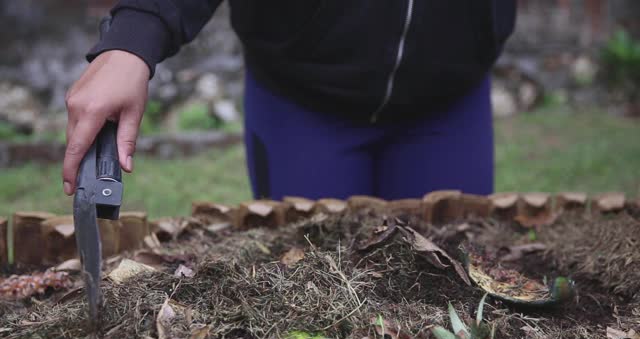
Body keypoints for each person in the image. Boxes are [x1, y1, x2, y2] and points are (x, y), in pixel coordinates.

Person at [63, 1, 517, 201]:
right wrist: (136, 34)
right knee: (312, 306)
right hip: (302, 104)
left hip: (449, 101)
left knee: (452, 303)